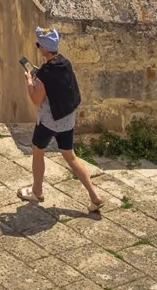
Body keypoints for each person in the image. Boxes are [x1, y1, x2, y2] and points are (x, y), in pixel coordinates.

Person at [17, 26, 103, 211]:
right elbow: (57, 81)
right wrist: (39, 75)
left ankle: (37, 191)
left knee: (38, 151)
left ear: (45, 49)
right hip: (67, 118)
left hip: (49, 121)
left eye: (38, 44)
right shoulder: (65, 63)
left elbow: (36, 99)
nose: (38, 46)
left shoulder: (44, 75)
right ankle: (94, 195)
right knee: (70, 156)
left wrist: (29, 81)